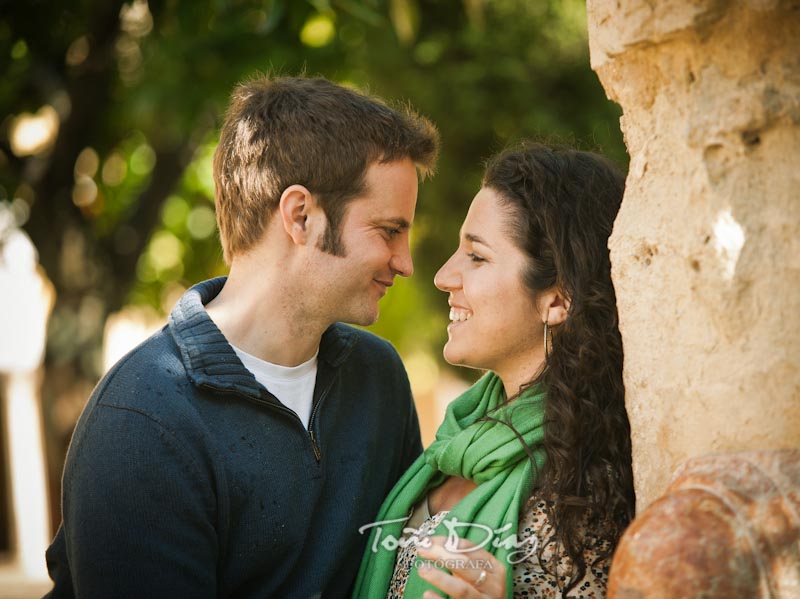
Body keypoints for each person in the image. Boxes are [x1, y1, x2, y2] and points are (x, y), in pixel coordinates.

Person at [44, 75, 439, 598]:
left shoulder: (379, 377)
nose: (406, 262)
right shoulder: (142, 424)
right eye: (389, 230)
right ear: (301, 215)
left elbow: (400, 574)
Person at [354, 143, 635, 599]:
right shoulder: (457, 441)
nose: (444, 276)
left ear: (558, 299)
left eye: (477, 257)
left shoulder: (583, 487)